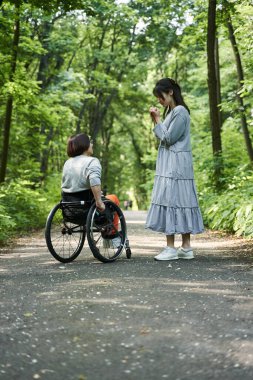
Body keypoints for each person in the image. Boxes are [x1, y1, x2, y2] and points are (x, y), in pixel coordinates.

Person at [146, 78, 204, 261]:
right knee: (179, 200)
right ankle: (185, 248)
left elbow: (168, 138)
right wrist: (158, 121)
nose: (159, 101)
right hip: (174, 163)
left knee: (173, 200)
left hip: (176, 165)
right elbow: (166, 137)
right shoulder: (173, 112)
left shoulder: (180, 112)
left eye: (160, 97)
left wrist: (156, 120)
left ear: (170, 91)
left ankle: (171, 248)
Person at [61, 133, 120, 235]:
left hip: (69, 210)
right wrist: (99, 201)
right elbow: (94, 182)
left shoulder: (68, 163)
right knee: (114, 198)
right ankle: (112, 236)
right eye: (90, 142)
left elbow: (67, 185)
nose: (92, 145)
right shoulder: (92, 161)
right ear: (84, 145)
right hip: (88, 209)